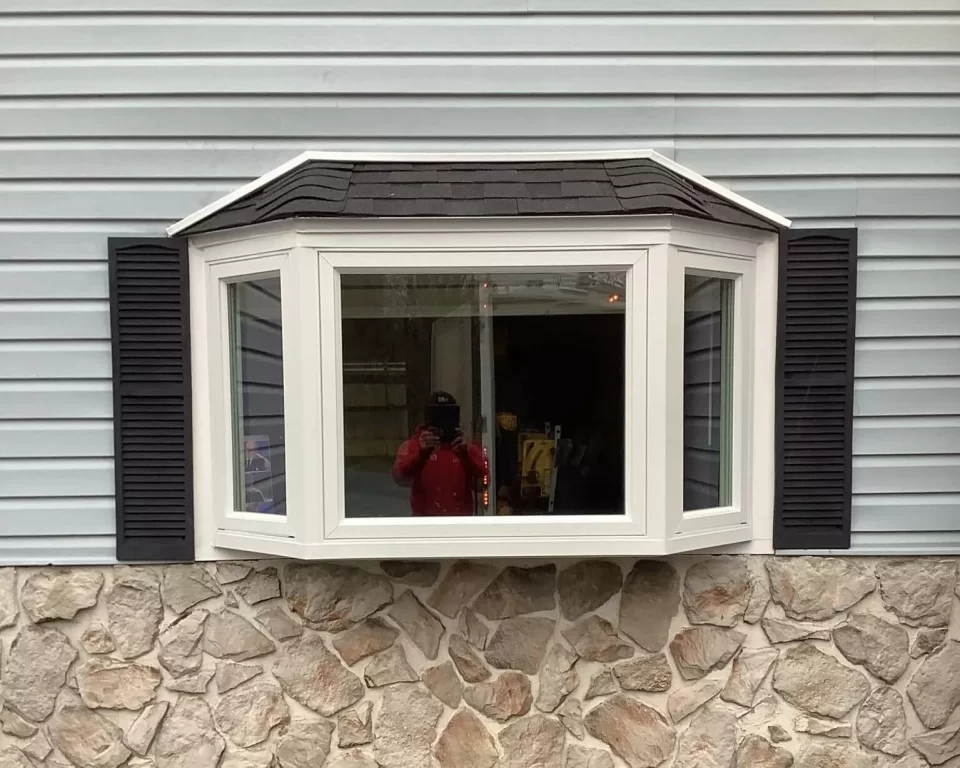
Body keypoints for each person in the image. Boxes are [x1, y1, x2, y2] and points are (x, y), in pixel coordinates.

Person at [392, 392, 486, 517]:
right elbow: (400, 479)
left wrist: (466, 455)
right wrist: (421, 454)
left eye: (448, 416)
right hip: (424, 525)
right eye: (438, 416)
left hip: (460, 525)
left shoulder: (465, 448)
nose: (443, 422)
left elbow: (483, 484)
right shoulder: (415, 446)